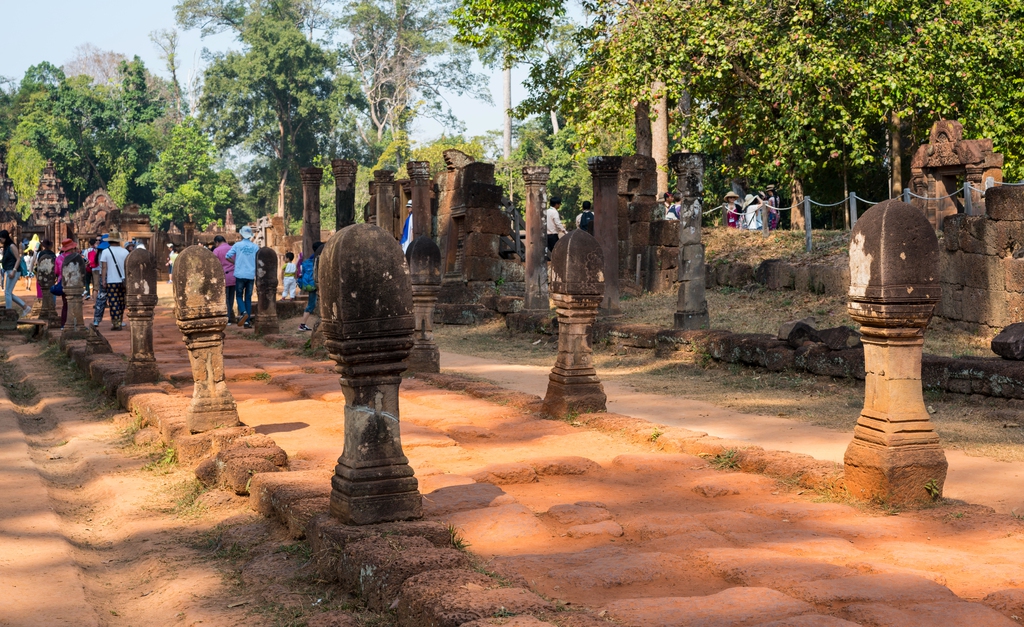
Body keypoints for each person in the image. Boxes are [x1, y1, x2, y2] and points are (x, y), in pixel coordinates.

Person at [226, 225, 259, 328]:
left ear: (241, 234)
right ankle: (247, 321)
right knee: (248, 297)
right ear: (250, 235)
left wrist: (235, 262)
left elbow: (227, 256)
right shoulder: (255, 247)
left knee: (239, 296)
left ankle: (243, 312)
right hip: (250, 274)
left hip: (240, 274)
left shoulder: (237, 245)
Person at [98, 236, 129, 331]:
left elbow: (104, 267)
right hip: (123, 281)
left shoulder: (105, 252)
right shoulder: (125, 252)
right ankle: (120, 319)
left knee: (113, 302)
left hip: (111, 281)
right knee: (121, 302)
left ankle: (116, 322)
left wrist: (103, 280)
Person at [0, 230, 30, 317]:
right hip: (8, 270)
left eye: (1, 238)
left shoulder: (12, 246)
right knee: (8, 292)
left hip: (13, 271)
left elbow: (18, 259)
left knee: (8, 292)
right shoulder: (6, 247)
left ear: (5, 238)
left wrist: (14, 271)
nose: (0, 240)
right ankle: (25, 307)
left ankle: (8, 311)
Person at [298, 241, 323, 332]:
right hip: (316, 283)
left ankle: (303, 324)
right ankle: (302, 324)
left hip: (311, 284)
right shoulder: (319, 257)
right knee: (312, 304)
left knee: (312, 303)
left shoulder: (311, 257)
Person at [212, 235, 237, 324]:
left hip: (223, 276)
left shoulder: (217, 250)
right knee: (231, 298)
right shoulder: (233, 248)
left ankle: (227, 318)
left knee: (225, 299)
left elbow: (214, 265)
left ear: (217, 242)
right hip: (234, 275)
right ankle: (229, 317)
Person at [55, 239, 77, 328]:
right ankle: (76, 323)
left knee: (65, 304)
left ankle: (63, 324)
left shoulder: (59, 258)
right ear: (71, 249)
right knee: (76, 304)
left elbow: (56, 271)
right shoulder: (76, 257)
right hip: (75, 283)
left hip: (63, 282)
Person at [91, 234, 110, 327]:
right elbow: (104, 267)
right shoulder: (107, 251)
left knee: (101, 298)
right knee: (115, 299)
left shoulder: (99, 251)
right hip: (109, 276)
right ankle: (117, 320)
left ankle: (96, 320)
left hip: (102, 276)